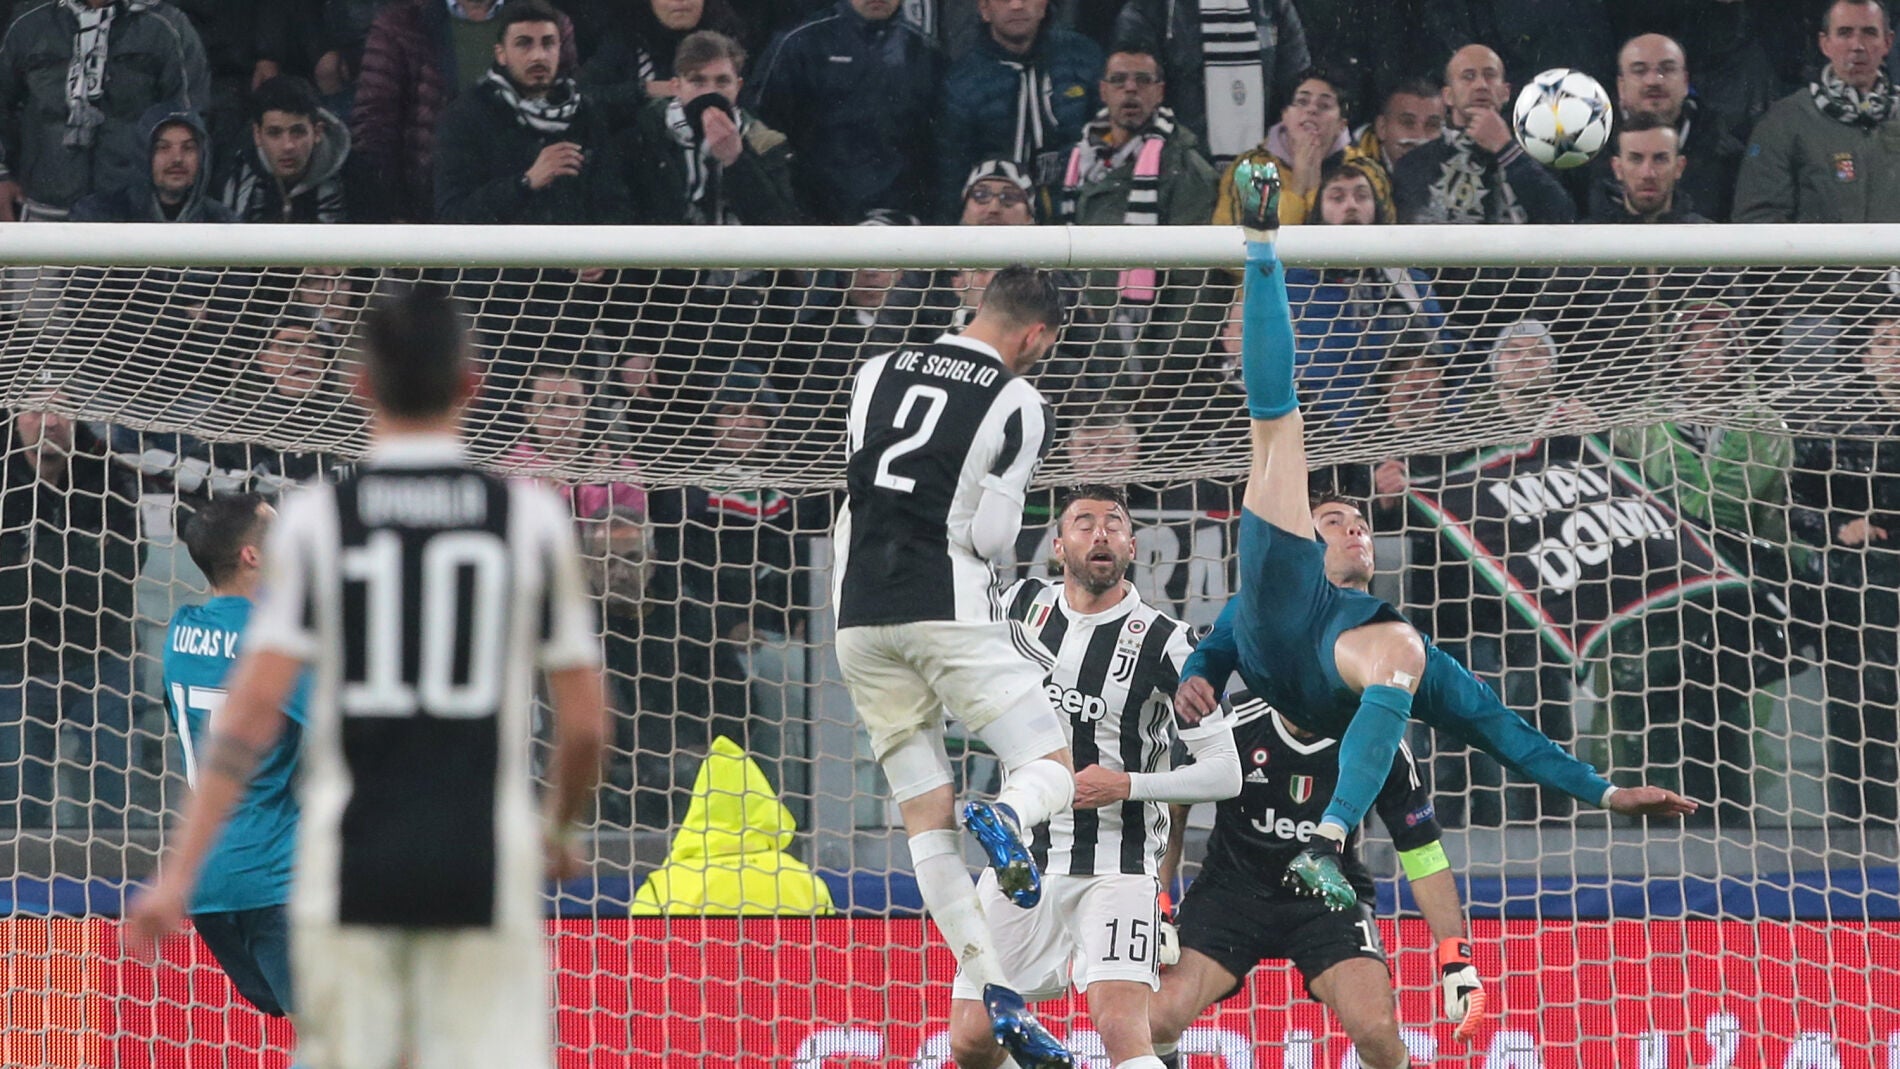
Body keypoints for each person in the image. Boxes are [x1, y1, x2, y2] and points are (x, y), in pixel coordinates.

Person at [1175, 159, 1694, 911]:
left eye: (1359, 521)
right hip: (1279, 614)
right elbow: (1221, 640)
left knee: (1409, 654)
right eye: (1337, 521)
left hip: (1331, 676)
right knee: (1278, 427)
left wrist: (1606, 792)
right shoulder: (1288, 571)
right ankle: (1262, 248)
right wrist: (1200, 670)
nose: (1355, 527)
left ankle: (1328, 842)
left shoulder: (1389, 636)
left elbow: (1505, 732)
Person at [124, 285, 609, 1069]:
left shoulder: (318, 522)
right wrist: (557, 831)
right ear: (472, 385)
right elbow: (586, 723)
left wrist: (177, 872)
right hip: (474, 853)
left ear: (358, 387)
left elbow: (246, 720)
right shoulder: (528, 517)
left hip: (347, 859)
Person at [831, 265, 1077, 1069]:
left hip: (858, 618)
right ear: (1036, 336)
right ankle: (1009, 816)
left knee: (925, 817)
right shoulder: (1018, 400)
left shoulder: (874, 372)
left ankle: (993, 989)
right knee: (1048, 763)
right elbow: (994, 538)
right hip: (946, 606)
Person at [946, 484, 1241, 1069]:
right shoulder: (1017, 607)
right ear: (1059, 545)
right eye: (1084, 522)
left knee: (1119, 1026)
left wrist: (1126, 784)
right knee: (972, 1040)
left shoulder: (1172, 645)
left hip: (1118, 866)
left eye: (1113, 523)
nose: (1100, 532)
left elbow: (1225, 773)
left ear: (1133, 546)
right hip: (1022, 858)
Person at [1151, 689, 1481, 1069]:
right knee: (1157, 1017)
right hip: (1231, 893)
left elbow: (1423, 853)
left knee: (1375, 1030)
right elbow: (1168, 813)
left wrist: (1456, 957)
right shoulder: (1226, 723)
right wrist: (1157, 905)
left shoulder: (1375, 737)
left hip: (1329, 898)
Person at [161, 493, 307, 1020]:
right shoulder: (275, 643)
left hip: (211, 889)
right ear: (253, 556)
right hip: (276, 878)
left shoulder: (181, 632)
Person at [0, 402, 141, 832]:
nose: (50, 421)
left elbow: (131, 559)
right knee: (19, 802)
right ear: (13, 417)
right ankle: (17, 899)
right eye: (34, 410)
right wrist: (78, 565)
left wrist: (37, 564)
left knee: (116, 796)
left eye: (61, 409)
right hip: (15, 667)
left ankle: (114, 892)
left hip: (101, 658)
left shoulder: (105, 471)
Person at [350, 0, 582, 221]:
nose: (538, 53)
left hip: (536, 210)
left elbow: (567, 108)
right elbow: (375, 126)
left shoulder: (549, 23)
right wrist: (392, 212)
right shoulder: (400, 26)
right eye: (524, 44)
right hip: (425, 210)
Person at [0, 0, 211, 221]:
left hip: (134, 216)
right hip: (42, 209)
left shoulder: (167, 26)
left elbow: (191, 120)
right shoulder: (29, 22)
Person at [743, 0, 943, 222]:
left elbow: (937, 150)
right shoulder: (800, 42)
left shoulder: (925, 52)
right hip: (815, 214)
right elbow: (762, 130)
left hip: (897, 216)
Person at [433, 1, 630, 225]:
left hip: (577, 256)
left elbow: (614, 202)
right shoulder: (466, 116)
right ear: (501, 53)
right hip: (501, 256)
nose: (538, 56)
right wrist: (526, 183)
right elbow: (452, 213)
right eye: (524, 44)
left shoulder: (583, 112)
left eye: (548, 44)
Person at [1734, 0, 1900, 225]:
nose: (1857, 45)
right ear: (1825, 44)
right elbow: (1758, 218)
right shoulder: (1785, 120)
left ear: (1888, 42)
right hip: (1815, 261)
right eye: (1844, 33)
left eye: (1869, 33)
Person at [934, 0, 1101, 217]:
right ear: (984, 9)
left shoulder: (1084, 57)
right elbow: (952, 174)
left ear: (1044, 5)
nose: (1016, 5)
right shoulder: (962, 81)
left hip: (1079, 209)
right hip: (1000, 219)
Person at [621, 30, 800, 225]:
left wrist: (736, 161)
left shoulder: (764, 142)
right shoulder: (645, 137)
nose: (710, 92)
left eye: (722, 81)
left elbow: (781, 225)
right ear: (676, 86)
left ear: (738, 86)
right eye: (698, 82)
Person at [1110, 0, 1311, 166]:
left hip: (1261, 170)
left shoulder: (1274, 7)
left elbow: (1296, 90)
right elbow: (1135, 95)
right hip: (1177, 172)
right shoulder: (1149, 9)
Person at [1584, 33, 1744, 223]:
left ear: (1685, 82)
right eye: (1639, 71)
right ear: (1621, 85)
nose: (1654, 81)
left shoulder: (1726, 152)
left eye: (1667, 69)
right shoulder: (1583, 149)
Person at [1213, 69, 1391, 230]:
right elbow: (1241, 252)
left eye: (1324, 105)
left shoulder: (1365, 171)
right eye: (1302, 102)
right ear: (1285, 115)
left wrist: (1315, 190)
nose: (1312, 109)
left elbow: (1384, 244)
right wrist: (1297, 188)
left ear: (1341, 124)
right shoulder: (1251, 168)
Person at [69, 105, 236, 223]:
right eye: (163, 148)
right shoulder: (98, 216)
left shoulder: (222, 223)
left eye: (188, 148)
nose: (177, 158)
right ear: (143, 154)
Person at [219, 74, 351, 223]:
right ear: (257, 134)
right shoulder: (232, 172)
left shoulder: (353, 179)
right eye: (274, 133)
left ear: (317, 132)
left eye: (298, 132)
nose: (288, 145)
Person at [1350, 78, 1445, 176]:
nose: (1420, 136)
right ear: (1382, 128)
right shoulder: (1348, 172)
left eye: (1432, 125)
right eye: (1408, 123)